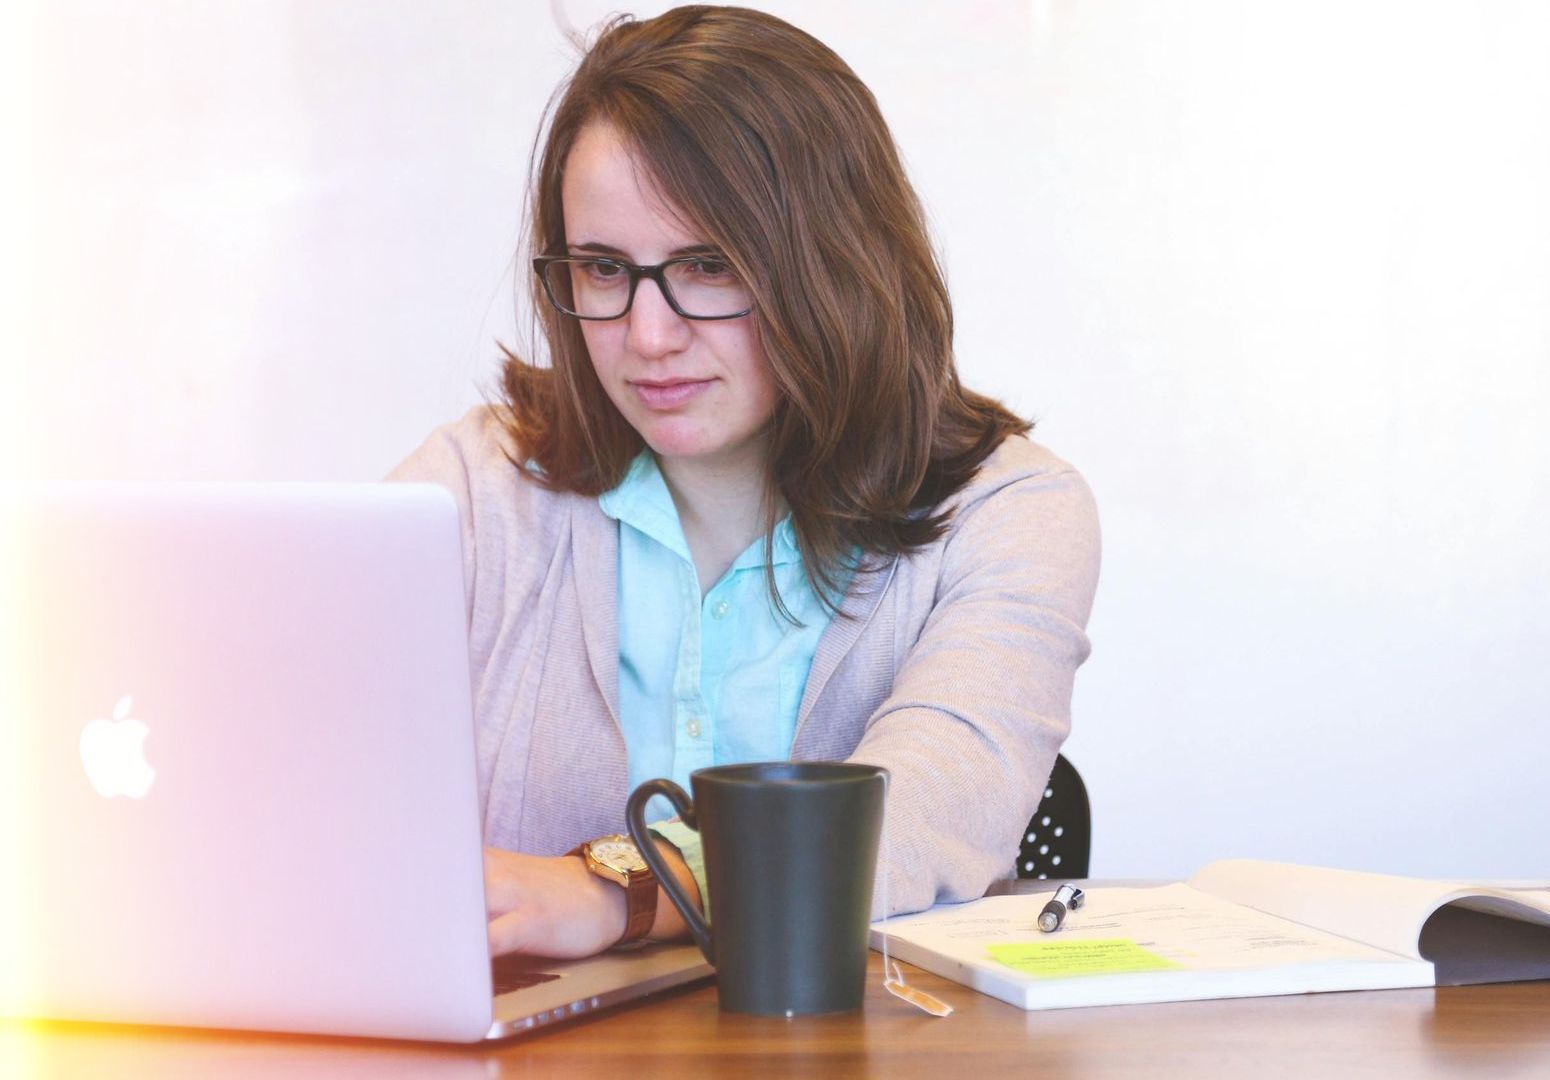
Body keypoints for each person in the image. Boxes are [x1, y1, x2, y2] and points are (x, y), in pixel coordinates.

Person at [386, 4, 1099, 960]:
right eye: (604, 269)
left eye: (708, 265)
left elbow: (928, 804)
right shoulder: (475, 489)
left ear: (834, 263)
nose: (647, 335)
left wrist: (619, 890)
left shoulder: (1012, 515)